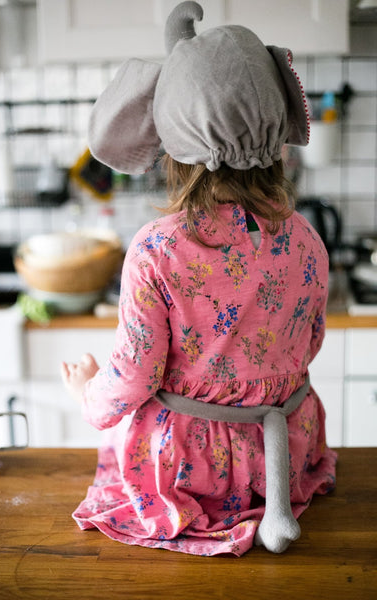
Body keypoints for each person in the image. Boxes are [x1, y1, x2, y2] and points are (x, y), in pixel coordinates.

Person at [61, 1, 337, 556]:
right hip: (281, 457)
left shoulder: (158, 249)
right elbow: (309, 344)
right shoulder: (306, 236)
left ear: (172, 138)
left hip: (191, 475)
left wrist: (88, 393)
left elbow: (135, 378)